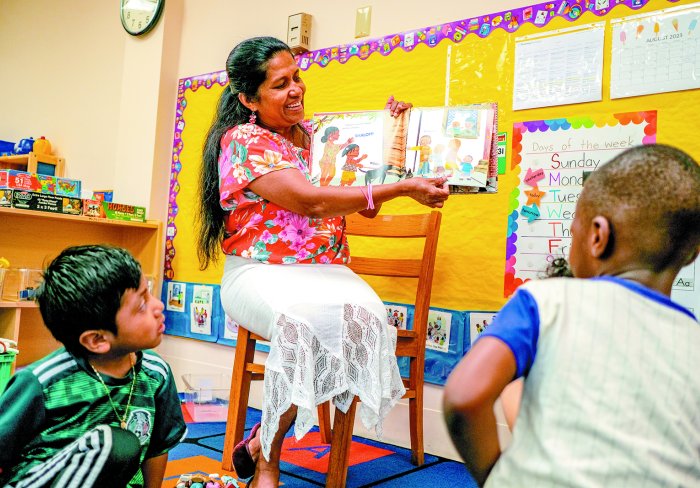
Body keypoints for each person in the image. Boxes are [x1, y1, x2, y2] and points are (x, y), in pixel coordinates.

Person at [197, 36, 449, 487]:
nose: (296, 89)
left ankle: (256, 444)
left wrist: (393, 137)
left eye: (296, 77)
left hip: (328, 273)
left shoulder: (323, 137)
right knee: (305, 324)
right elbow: (311, 202)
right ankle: (268, 466)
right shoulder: (244, 139)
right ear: (249, 99)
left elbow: (364, 203)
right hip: (261, 272)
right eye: (280, 84)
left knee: (366, 320)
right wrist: (400, 190)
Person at [443, 144, 700, 487]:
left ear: (598, 236)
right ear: (691, 254)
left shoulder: (545, 299)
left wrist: (496, 477)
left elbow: (463, 397)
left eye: (572, 230)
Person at [0, 245, 186, 488]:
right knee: (114, 443)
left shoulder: (156, 373)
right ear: (97, 340)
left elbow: (157, 448)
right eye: (141, 306)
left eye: (148, 294)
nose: (158, 306)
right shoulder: (43, 382)